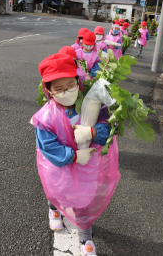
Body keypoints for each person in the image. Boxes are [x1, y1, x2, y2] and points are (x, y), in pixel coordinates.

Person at [30, 53, 120, 255]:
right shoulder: (46, 117)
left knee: (83, 201)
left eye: (70, 85)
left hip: (87, 167)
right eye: (58, 89)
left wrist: (93, 132)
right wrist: (74, 156)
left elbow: (109, 126)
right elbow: (48, 146)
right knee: (57, 191)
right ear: (49, 91)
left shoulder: (92, 104)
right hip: (60, 167)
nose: (66, 92)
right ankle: (54, 210)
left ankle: (85, 239)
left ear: (78, 83)